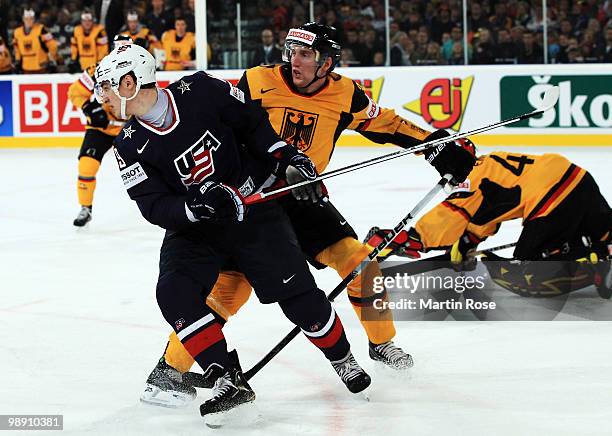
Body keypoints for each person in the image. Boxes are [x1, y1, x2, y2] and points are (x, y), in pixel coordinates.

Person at [142, 22, 475, 405]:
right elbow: (222, 124)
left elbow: (386, 125)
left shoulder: (345, 93)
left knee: (359, 261)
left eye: (305, 54)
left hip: (302, 199)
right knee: (230, 292)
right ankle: (170, 367)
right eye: (291, 52)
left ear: (327, 63)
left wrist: (437, 145)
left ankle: (382, 344)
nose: (294, 61)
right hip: (254, 201)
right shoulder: (257, 81)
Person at [96, 43, 371, 420]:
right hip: (198, 228)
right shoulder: (127, 145)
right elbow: (153, 205)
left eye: (107, 87)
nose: (103, 97)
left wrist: (289, 158)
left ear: (129, 83)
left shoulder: (201, 89)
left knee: (301, 299)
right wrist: (193, 208)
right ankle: (226, 375)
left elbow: (254, 126)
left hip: (253, 210)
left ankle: (343, 358)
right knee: (173, 291)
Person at [376, 140, 611, 299]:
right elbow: (488, 211)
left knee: (529, 267)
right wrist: (468, 242)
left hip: (552, 196)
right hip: (577, 177)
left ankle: (591, 260)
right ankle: (603, 247)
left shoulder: (472, 177)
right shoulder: (491, 163)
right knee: (601, 229)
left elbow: (450, 215)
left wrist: (413, 239)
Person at [68, 35, 131, 227]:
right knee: (86, 166)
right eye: (118, 49)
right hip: (101, 128)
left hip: (130, 128)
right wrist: (89, 108)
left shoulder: (141, 70)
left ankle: (166, 203)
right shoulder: (98, 68)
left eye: (125, 49)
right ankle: (85, 208)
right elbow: (75, 92)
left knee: (154, 164)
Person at [12, 9, 59, 74]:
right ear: (23, 19)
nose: (29, 21)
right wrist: (17, 60)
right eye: (26, 19)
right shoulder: (17, 32)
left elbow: (53, 45)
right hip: (26, 66)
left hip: (41, 65)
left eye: (31, 19)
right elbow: (16, 48)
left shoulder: (41, 29)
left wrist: (51, 59)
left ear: (34, 19)